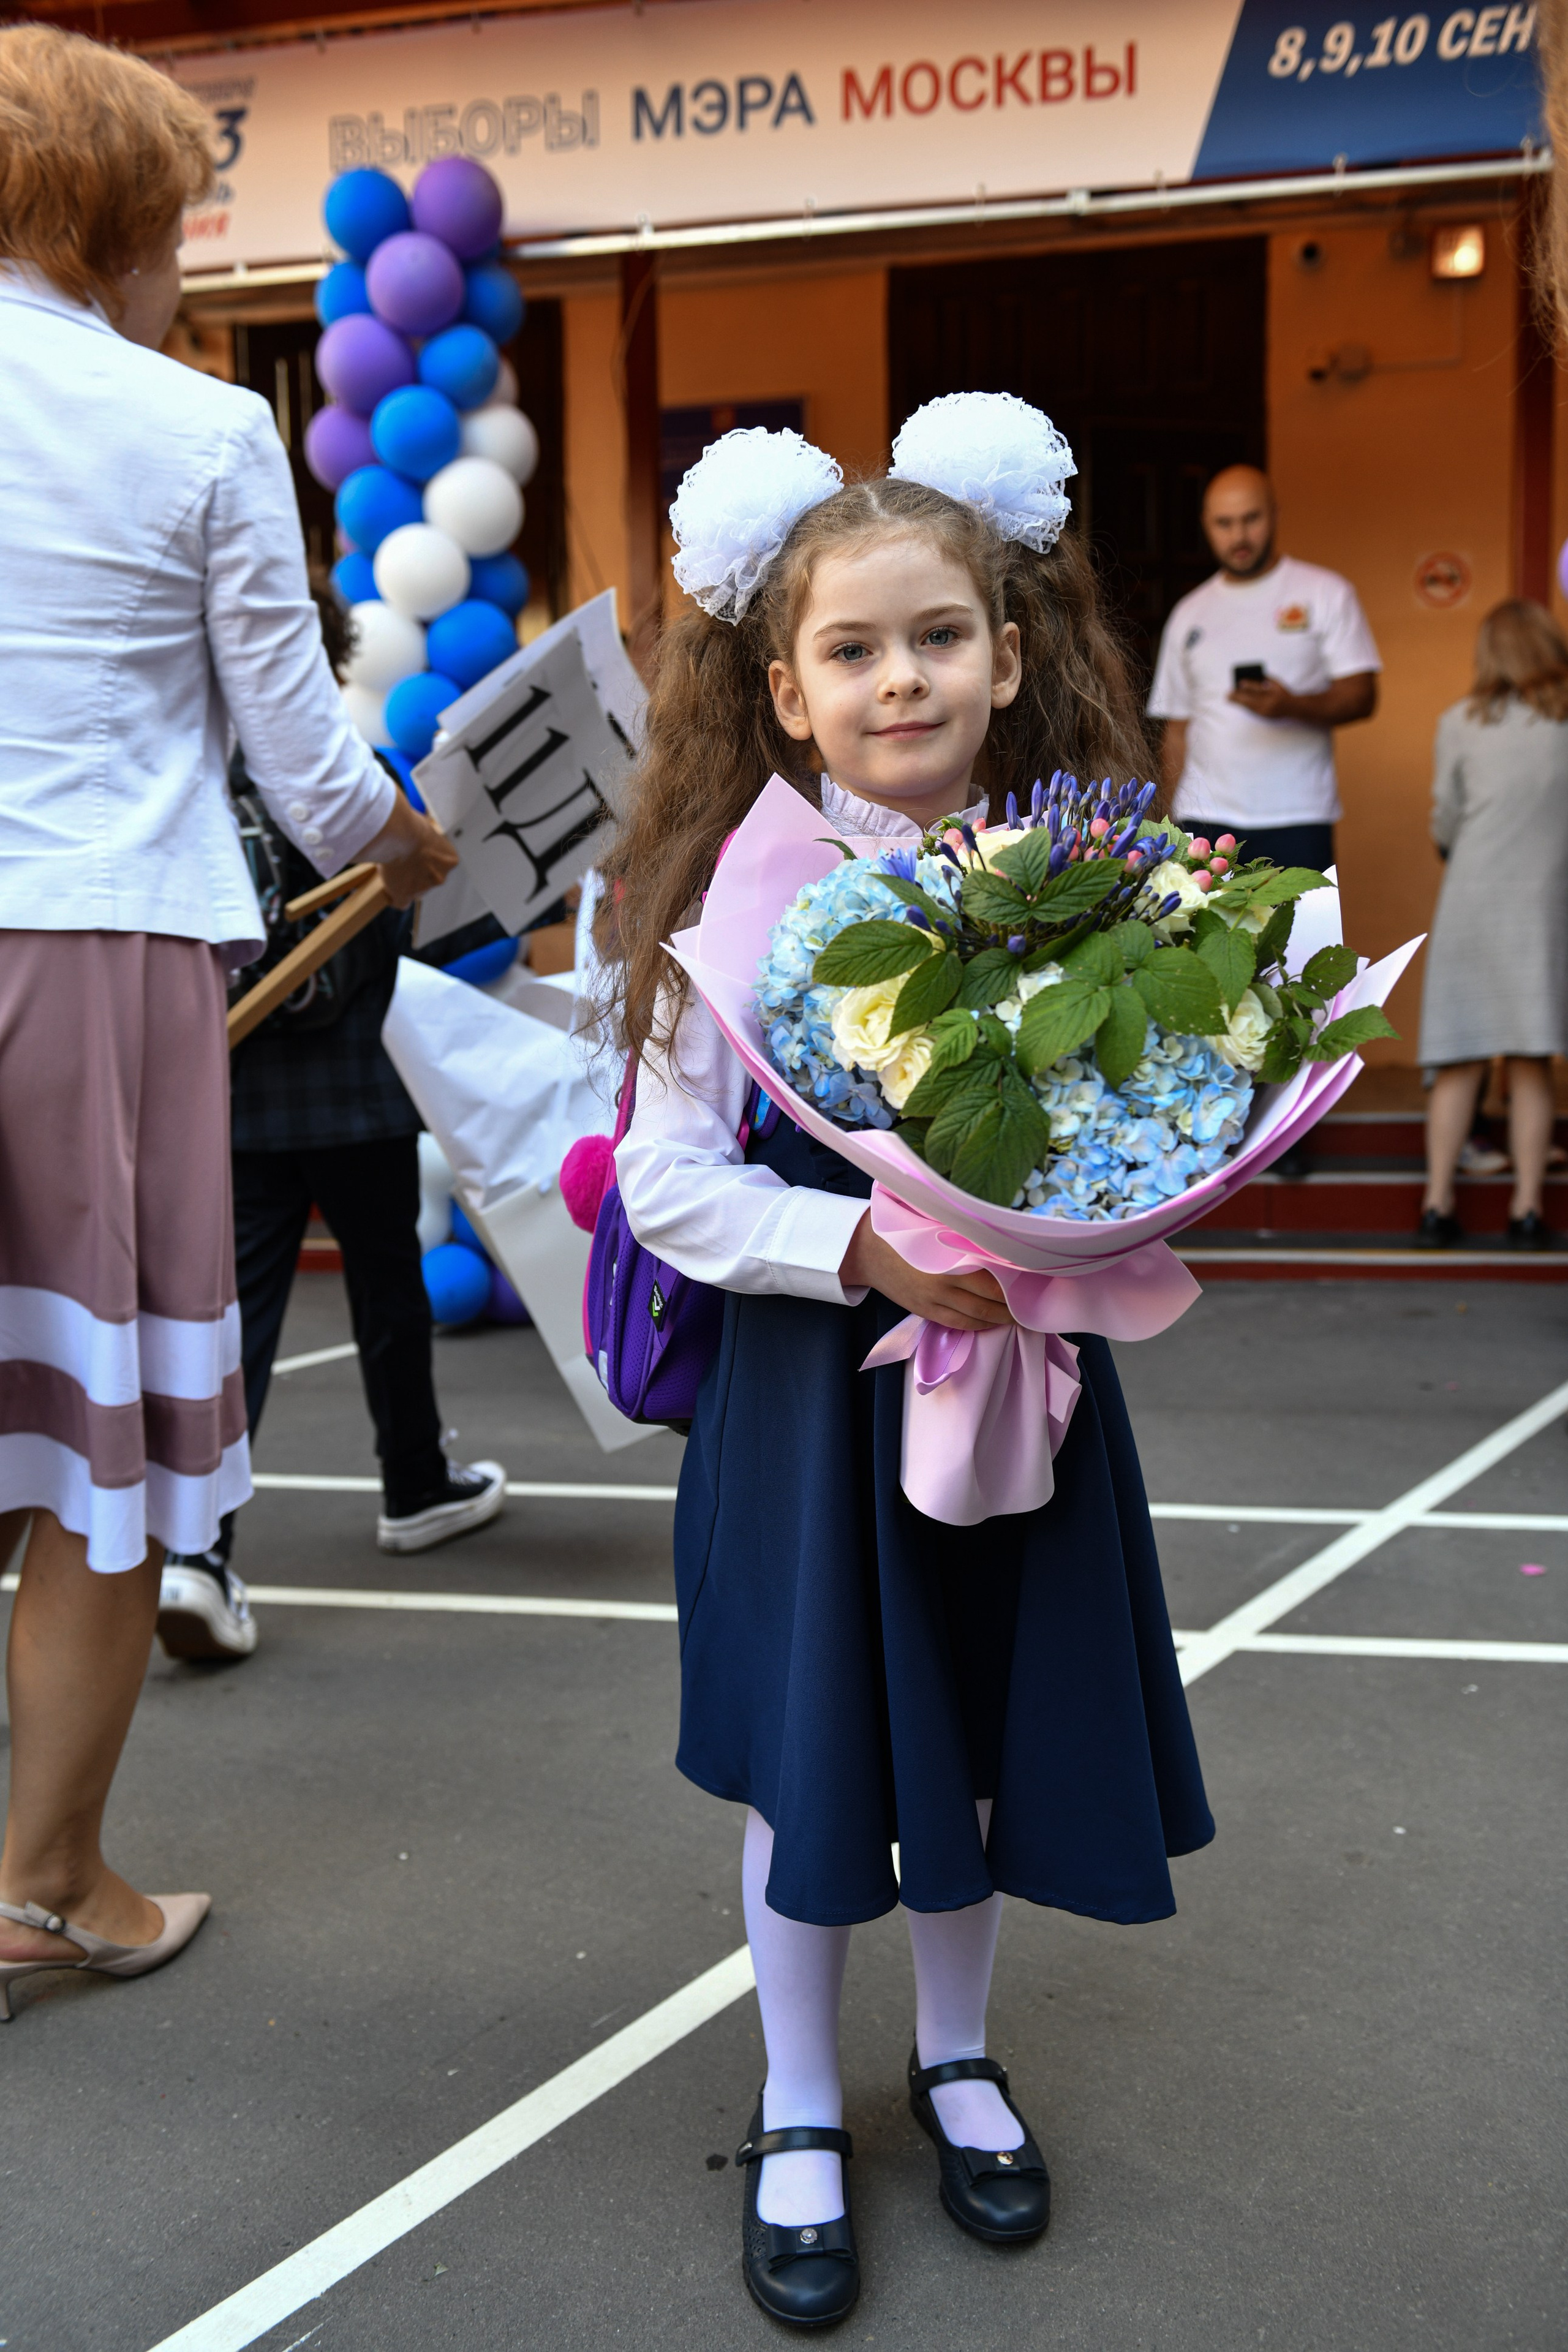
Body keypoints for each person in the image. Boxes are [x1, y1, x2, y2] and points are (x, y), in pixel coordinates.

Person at [598, 405, 1213, 2329]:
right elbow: (667, 1187)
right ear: (782, 693)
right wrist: (848, 1241)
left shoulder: (1092, 887)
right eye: (852, 650)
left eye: (937, 636)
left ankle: (955, 2057)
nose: (900, 677)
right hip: (810, 1407)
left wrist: (1109, 1200)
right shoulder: (730, 912)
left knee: (969, 1739)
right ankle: (797, 2096)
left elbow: (1164, 1109)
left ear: (1010, 654)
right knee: (815, 1753)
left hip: (1009, 1392)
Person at [0, 26, 456, 2021]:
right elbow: (313, 769)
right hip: (96, 964)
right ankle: (43, 1886)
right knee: (94, 1472)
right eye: (177, 224)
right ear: (107, 222)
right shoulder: (192, 427)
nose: (186, 263)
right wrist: (415, 842)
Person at [157, 581, 505, 1664]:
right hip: (354, 1089)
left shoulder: (197, 782)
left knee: (237, 1322)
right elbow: (416, 932)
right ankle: (414, 1484)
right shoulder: (344, 771)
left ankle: (201, 1551)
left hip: (235, 1089)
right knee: (388, 1293)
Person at [1414, 600, 1568, 1251]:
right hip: (1544, 904)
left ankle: (1436, 1203)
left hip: (1471, 901)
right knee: (1531, 1060)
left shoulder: (1458, 723)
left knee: (1459, 1056)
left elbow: (1445, 819)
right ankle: (1527, 1209)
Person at [1148, 464, 1381, 875]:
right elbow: (1177, 729)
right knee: (1204, 939)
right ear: (1206, 525)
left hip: (1298, 814)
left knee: (1304, 939)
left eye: (1250, 519)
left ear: (1274, 514)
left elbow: (1362, 694)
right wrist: (1165, 820)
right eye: (1224, 523)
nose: (1238, 536)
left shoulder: (1325, 592)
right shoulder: (1190, 613)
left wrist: (1291, 705)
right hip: (1204, 817)